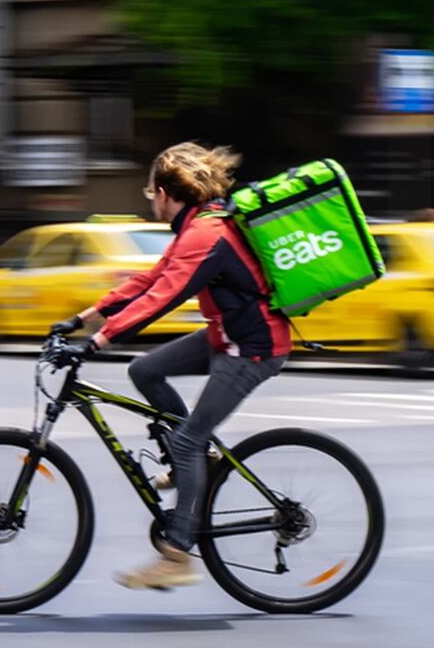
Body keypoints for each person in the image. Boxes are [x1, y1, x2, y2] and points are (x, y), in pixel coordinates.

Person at [50, 142, 291, 590]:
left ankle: (178, 554)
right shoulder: (196, 227)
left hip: (252, 347)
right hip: (227, 335)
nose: (152, 203)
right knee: (144, 371)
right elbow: (150, 279)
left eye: (151, 195)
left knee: (185, 441)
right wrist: (83, 318)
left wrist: (96, 342)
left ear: (164, 192)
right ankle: (199, 457)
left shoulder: (206, 234)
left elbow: (163, 298)